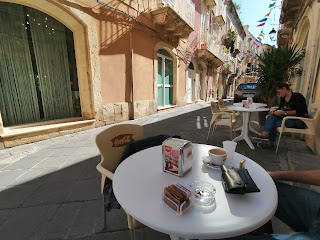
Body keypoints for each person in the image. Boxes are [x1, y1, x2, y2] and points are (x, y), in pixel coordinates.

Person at [257, 83, 308, 149]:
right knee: (272, 117)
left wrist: (284, 113)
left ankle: (268, 140)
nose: (278, 94)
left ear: (284, 89)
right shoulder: (283, 98)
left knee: (274, 123)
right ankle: (266, 134)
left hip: (299, 121)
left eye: (279, 92)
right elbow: (280, 109)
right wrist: (274, 112)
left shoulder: (298, 97)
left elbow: (300, 111)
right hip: (287, 119)